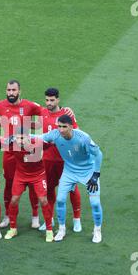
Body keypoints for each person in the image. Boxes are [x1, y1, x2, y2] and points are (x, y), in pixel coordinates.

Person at [35, 115, 103, 243]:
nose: (61, 130)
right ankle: (61, 229)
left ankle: (97, 230)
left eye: (64, 127)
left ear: (71, 127)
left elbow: (98, 154)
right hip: (69, 172)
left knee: (95, 203)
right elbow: (39, 137)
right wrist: (19, 137)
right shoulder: (55, 134)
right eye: (59, 126)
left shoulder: (83, 138)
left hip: (88, 172)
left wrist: (96, 175)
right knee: (60, 200)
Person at [0, 80, 43, 228]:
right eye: (8, 90)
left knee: (31, 183)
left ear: (20, 91)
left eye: (13, 90)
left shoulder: (29, 106)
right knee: (9, 184)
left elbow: (45, 112)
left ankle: (35, 216)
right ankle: (7, 216)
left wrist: (62, 110)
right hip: (10, 153)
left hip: (26, 151)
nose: (11, 93)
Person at [39, 87, 82, 232]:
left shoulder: (66, 114)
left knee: (72, 189)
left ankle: (77, 220)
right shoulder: (42, 112)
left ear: (58, 99)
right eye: (47, 100)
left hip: (66, 160)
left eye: (52, 100)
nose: (49, 103)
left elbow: (76, 133)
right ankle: (49, 220)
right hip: (48, 159)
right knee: (48, 189)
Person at [3, 127, 54, 242]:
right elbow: (0, 145)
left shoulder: (38, 143)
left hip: (38, 175)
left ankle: (49, 230)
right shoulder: (11, 145)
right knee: (14, 200)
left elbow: (53, 141)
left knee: (43, 200)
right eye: (18, 138)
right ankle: (13, 228)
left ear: (28, 136)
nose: (20, 140)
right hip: (20, 175)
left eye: (22, 138)